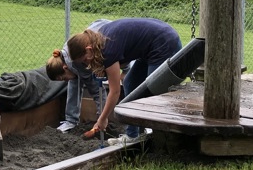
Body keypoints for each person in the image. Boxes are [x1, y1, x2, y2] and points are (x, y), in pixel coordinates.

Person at [66, 18, 182, 146]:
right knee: (130, 83)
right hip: (150, 47)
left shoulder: (107, 50)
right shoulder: (98, 39)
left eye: (84, 60)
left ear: (88, 50)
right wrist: (104, 69)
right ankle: (133, 135)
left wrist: (102, 119)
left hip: (164, 42)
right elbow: (125, 56)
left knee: (153, 91)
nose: (86, 64)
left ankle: (162, 139)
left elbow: (115, 92)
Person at [45, 18, 112, 132]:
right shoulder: (66, 57)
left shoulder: (79, 63)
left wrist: (102, 118)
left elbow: (97, 91)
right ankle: (71, 121)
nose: (65, 81)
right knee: (74, 83)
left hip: (110, 35)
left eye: (63, 78)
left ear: (65, 67)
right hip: (99, 25)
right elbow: (73, 88)